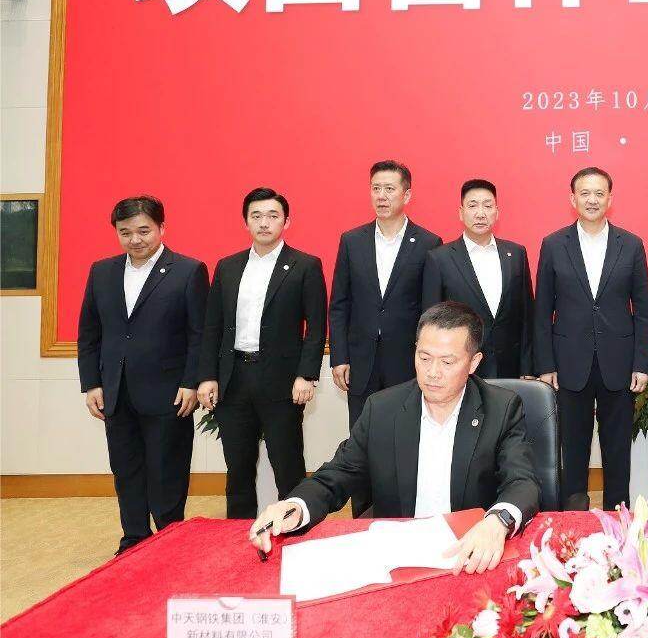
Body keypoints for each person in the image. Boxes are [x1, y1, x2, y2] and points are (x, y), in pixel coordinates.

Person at [248, 302, 540, 574]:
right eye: (424, 358)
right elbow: (337, 475)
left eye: (447, 362)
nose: (433, 373)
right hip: (398, 557)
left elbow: (522, 482)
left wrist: (498, 521)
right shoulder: (382, 409)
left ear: (474, 362)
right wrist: (295, 506)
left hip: (470, 552)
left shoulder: (501, 409)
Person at [77, 195, 208, 553]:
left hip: (170, 394)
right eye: (125, 232)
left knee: (167, 472)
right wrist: (92, 383)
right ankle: (133, 540)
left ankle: (169, 541)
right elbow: (89, 333)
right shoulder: (101, 272)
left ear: (162, 228)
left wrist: (191, 382)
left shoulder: (188, 270)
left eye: (144, 231)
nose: (135, 239)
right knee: (126, 470)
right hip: (116, 392)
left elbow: (199, 334)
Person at [197, 188, 327, 519]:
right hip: (234, 379)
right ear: (246, 222)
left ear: (286, 221)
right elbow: (212, 326)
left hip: (282, 382)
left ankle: (293, 530)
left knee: (288, 465)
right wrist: (207, 376)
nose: (264, 223)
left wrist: (307, 375)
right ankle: (237, 535)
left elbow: (316, 327)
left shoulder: (305, 266)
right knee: (238, 468)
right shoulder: (227, 267)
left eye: (272, 216)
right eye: (256, 216)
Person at [533, 167, 648, 510]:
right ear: (572, 199)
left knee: (618, 451)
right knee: (573, 450)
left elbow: (643, 310)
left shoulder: (631, 244)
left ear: (610, 199)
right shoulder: (554, 244)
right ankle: (574, 521)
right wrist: (546, 365)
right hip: (569, 363)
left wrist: (642, 363)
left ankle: (618, 519)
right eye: (584, 193)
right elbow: (542, 310)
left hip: (619, 363)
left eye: (599, 193)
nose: (592, 200)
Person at [329, 160, 441, 516]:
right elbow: (340, 303)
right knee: (361, 442)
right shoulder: (352, 241)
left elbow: (431, 311)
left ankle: (405, 515)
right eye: (376, 188)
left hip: (406, 363)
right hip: (360, 362)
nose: (381, 195)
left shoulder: (428, 243)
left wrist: (425, 359)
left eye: (389, 189)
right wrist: (339, 357)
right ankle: (362, 518)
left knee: (407, 441)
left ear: (407, 195)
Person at [423, 179, 534, 379]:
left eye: (488, 206)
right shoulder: (439, 259)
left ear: (497, 212)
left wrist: (528, 368)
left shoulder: (516, 253)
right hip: (460, 367)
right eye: (473, 205)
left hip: (510, 368)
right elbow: (432, 322)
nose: (480, 213)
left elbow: (527, 316)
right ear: (461, 212)